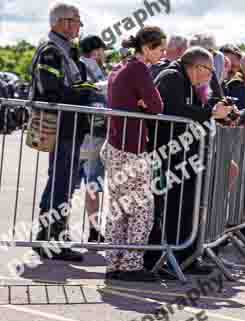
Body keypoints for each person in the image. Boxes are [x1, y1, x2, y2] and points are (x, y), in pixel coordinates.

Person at [143, 47, 234, 274]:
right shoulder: (171, 77)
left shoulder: (191, 83)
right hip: (167, 154)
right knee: (167, 208)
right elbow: (172, 109)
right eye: (209, 71)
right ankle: (158, 261)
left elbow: (197, 110)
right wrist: (211, 114)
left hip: (186, 154)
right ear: (197, 67)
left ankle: (186, 257)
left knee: (186, 207)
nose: (210, 77)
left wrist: (219, 112)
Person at [31, 3, 95, 261]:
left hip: (70, 126)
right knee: (61, 181)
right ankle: (50, 238)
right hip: (62, 126)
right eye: (78, 21)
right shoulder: (51, 51)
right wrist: (86, 90)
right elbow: (50, 90)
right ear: (64, 22)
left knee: (65, 181)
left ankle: (55, 234)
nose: (80, 26)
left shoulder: (67, 50)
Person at [103, 27, 165, 282]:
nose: (162, 53)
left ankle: (113, 262)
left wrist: (141, 103)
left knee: (118, 208)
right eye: (160, 48)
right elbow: (157, 105)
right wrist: (143, 104)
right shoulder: (139, 69)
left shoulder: (120, 67)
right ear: (148, 47)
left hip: (114, 145)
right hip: (131, 147)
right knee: (141, 209)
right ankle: (131, 265)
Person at [78, 35, 110, 242]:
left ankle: (92, 228)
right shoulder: (91, 68)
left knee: (84, 182)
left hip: (83, 131)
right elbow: (98, 93)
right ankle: (93, 229)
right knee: (93, 183)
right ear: (97, 51)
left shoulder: (79, 65)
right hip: (93, 132)